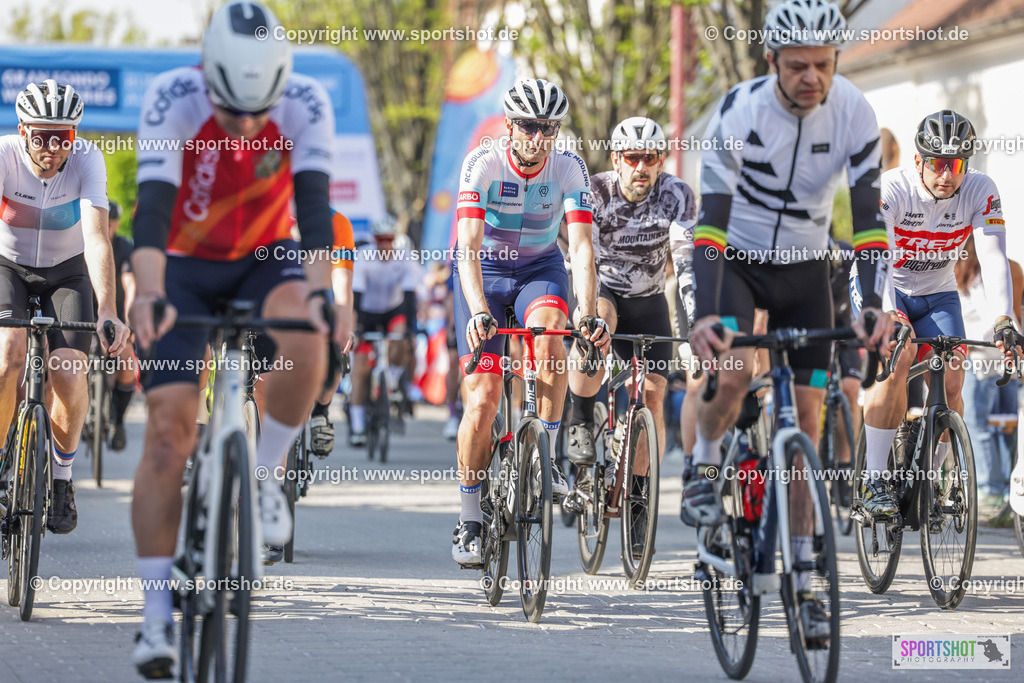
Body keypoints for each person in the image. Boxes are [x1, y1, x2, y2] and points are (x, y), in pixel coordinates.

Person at [128, 3, 351, 677]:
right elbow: (151, 215)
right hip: (182, 263)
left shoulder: (308, 102)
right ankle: (154, 618)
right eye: (233, 111)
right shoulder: (171, 97)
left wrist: (322, 295)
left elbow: (314, 214)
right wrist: (146, 293)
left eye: (261, 110)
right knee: (169, 434)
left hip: (263, 256)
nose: (248, 126)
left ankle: (265, 479)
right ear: (207, 76)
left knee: (306, 324)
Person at [683, 0, 893, 640]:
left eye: (824, 65)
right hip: (737, 260)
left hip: (806, 268)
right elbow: (711, 226)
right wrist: (704, 317)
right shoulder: (739, 112)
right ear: (771, 60)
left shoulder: (855, 111)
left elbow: (867, 222)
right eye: (797, 66)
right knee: (738, 368)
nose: (812, 78)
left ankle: (804, 585)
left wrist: (873, 308)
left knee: (807, 423)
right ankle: (706, 461)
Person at [450, 77, 610, 566]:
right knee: (483, 400)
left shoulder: (569, 168)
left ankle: (545, 452)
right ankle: (470, 516)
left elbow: (580, 248)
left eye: (549, 128)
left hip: (540, 268)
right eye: (528, 126)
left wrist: (586, 313)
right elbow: (469, 248)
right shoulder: (482, 162)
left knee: (551, 342)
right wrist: (479, 310)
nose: (538, 138)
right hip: (486, 273)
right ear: (510, 124)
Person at [854, 110, 1018, 519]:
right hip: (885, 285)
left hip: (937, 292)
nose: (947, 175)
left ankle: (934, 477)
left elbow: (994, 255)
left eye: (956, 165)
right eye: (938, 164)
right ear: (918, 161)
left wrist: (1004, 320)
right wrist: (891, 313)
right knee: (899, 359)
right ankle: (874, 479)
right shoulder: (890, 187)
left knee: (954, 373)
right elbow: (876, 259)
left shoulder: (981, 190)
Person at [0, 79, 131, 535]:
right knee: (7, 356)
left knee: (69, 370)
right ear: (22, 131)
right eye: (41, 136)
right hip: (8, 267)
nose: (53, 147)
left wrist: (110, 310)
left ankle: (61, 479)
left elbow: (97, 238)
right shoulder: (3, 155)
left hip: (67, 270)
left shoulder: (88, 159)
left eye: (63, 136)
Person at [562, 117, 696, 541]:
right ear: (617, 160)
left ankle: (639, 495)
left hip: (651, 297)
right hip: (603, 289)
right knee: (599, 321)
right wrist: (588, 313)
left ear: (661, 161)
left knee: (653, 393)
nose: (642, 167)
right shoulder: (595, 192)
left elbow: (687, 260)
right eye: (633, 158)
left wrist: (694, 319)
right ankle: (582, 420)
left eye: (651, 158)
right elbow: (579, 252)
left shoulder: (677, 195)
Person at [957, 235, 1024, 507]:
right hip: (1008, 354)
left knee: (978, 423)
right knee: (1007, 425)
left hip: (980, 356)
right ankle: (1010, 489)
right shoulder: (1010, 269)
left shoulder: (967, 273)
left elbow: (981, 321)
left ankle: (991, 490)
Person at [349, 214, 419, 446]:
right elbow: (356, 297)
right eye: (380, 239)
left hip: (393, 310)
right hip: (366, 313)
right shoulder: (364, 257)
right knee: (359, 367)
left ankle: (391, 380)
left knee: (402, 339)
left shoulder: (405, 257)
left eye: (389, 239)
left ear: (395, 239)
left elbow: (410, 298)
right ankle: (358, 426)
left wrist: (410, 330)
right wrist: (357, 329)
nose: (384, 244)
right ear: (374, 239)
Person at [306, 210, 356, 457]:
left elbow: (342, 284)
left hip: (319, 295)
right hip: (277, 294)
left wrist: (344, 322)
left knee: (337, 340)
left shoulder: (336, 222)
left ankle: (319, 413)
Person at [105, 199, 139, 450]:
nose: (106, 225)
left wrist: (129, 320)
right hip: (83, 316)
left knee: (127, 363)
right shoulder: (79, 243)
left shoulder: (124, 247)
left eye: (110, 221)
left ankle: (118, 420)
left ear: (116, 223)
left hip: (116, 320)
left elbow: (130, 284)